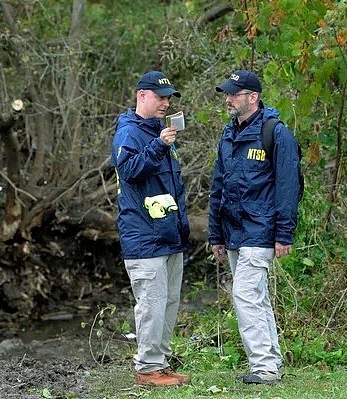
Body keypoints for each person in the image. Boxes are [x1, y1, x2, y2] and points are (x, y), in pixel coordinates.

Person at [208, 70, 301, 385]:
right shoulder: (229, 133)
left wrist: (283, 234)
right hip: (234, 231)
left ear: (253, 97)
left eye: (234, 94)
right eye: (227, 93)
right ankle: (271, 363)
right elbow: (217, 186)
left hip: (261, 230)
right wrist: (215, 234)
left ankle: (263, 368)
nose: (228, 99)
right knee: (255, 296)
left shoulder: (276, 133)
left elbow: (289, 188)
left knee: (245, 293)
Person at [111, 70, 191, 387]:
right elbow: (129, 170)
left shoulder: (159, 131)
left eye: (169, 98)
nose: (166, 103)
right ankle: (147, 369)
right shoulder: (129, 132)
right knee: (151, 304)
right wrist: (158, 145)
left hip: (169, 234)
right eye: (160, 97)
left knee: (168, 303)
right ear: (142, 95)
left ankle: (160, 363)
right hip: (144, 236)